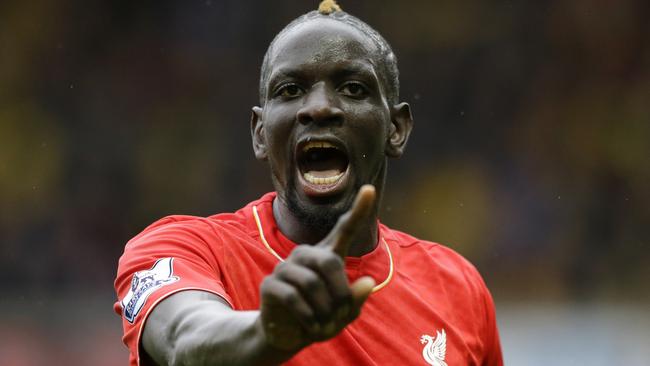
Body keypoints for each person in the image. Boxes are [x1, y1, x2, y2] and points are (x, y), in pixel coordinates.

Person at [114, 1, 503, 365]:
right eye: (290, 90)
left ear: (396, 129)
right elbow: (186, 341)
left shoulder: (458, 288)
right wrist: (266, 334)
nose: (319, 107)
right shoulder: (183, 249)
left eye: (353, 88)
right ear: (260, 133)